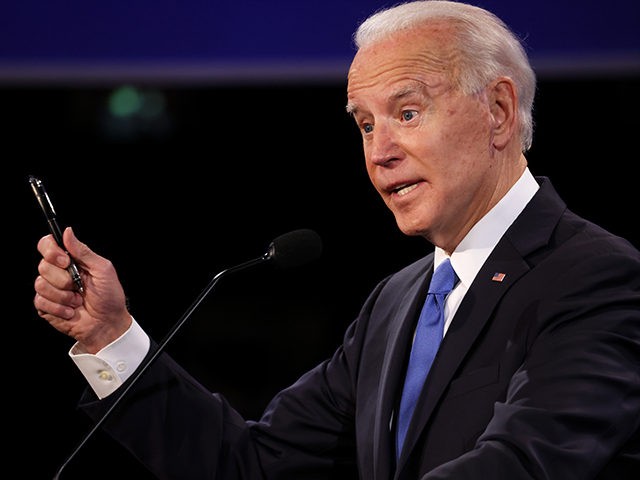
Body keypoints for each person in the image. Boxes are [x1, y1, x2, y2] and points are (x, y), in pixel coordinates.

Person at [33, 1, 640, 478]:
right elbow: (253, 466)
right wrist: (110, 336)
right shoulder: (395, 303)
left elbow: (528, 464)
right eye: (366, 125)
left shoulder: (598, 277)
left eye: (407, 113)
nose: (379, 153)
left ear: (500, 113)